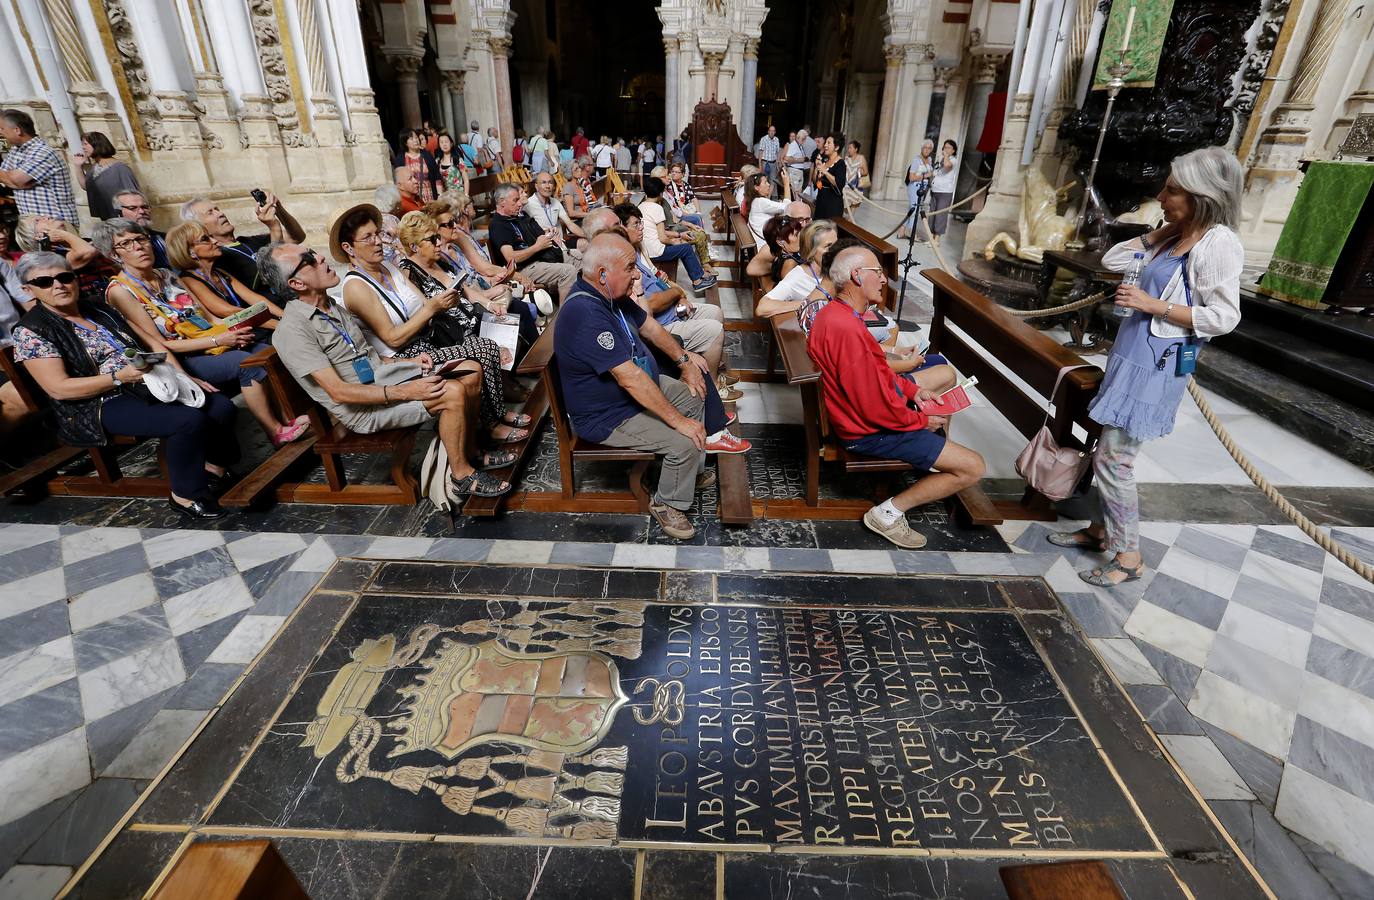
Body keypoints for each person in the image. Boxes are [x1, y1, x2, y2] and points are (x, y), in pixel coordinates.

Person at [1050, 147, 1245, 586]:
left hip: (1156, 365)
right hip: (1129, 357)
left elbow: (1225, 318)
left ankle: (1130, 555)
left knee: (1115, 460)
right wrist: (1160, 235)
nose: (1161, 195)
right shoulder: (1176, 235)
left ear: (1202, 194)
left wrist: (1152, 304)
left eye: (1172, 190)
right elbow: (1111, 261)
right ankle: (1102, 531)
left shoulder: (1219, 243)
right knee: (1107, 452)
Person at [260, 241, 510, 498]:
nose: (321, 258)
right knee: (452, 392)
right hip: (363, 408)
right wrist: (409, 391)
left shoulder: (330, 306)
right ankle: (461, 475)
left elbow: (370, 358)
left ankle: (470, 452)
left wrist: (409, 363)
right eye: (309, 259)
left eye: (313, 252)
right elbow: (339, 392)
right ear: (297, 284)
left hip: (383, 379)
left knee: (470, 369)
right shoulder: (293, 330)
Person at [12, 250, 242, 518]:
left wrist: (185, 376)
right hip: (96, 403)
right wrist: (117, 378)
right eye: (44, 282)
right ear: (28, 290)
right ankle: (186, 494)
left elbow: (152, 342)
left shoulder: (97, 306)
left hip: (145, 382)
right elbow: (59, 388)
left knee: (220, 406)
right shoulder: (32, 331)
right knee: (187, 421)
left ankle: (212, 468)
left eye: (64, 277)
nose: (58, 285)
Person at [553, 233, 746, 540]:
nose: (636, 273)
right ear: (604, 274)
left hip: (628, 397)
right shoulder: (585, 312)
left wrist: (684, 361)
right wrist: (677, 422)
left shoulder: (610, 297)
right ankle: (666, 503)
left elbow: (651, 328)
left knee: (694, 394)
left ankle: (686, 476)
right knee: (681, 440)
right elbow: (628, 377)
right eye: (630, 267)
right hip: (607, 414)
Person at [808, 246, 986, 548]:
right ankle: (887, 513)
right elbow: (873, 407)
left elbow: (878, 372)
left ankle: (932, 453)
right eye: (878, 272)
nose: (884, 279)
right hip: (866, 432)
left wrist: (914, 391)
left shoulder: (839, 315)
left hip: (863, 416)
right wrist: (920, 420)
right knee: (974, 467)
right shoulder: (847, 329)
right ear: (856, 275)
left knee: (941, 381)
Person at [96, 219, 307, 447]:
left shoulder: (167, 275)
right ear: (114, 255)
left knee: (268, 351)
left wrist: (232, 333)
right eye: (126, 244)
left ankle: (288, 417)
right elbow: (157, 345)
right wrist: (218, 339)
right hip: (180, 359)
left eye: (140, 239)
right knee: (248, 363)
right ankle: (274, 431)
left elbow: (209, 319)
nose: (138, 247)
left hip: (209, 343)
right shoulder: (120, 291)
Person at [332, 204, 526, 445]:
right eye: (368, 237)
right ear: (348, 248)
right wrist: (433, 309)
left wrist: (444, 304)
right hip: (404, 357)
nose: (378, 242)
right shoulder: (356, 286)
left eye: (378, 234)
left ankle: (494, 417)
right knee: (483, 348)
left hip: (425, 340)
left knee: (481, 343)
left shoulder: (388, 267)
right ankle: (492, 424)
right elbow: (392, 338)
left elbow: (424, 303)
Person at [603, 205, 742, 402]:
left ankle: (712, 369)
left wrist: (679, 295)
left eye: (641, 222)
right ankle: (714, 389)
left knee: (716, 312)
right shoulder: (624, 262)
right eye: (636, 224)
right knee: (715, 329)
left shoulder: (636, 250)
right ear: (621, 229)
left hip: (672, 309)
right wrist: (675, 293)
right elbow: (648, 305)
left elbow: (657, 277)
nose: (641, 228)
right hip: (662, 324)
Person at [181, 193, 305, 302]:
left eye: (217, 209)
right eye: (210, 213)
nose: (220, 214)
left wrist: (279, 209)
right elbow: (268, 276)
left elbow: (296, 237)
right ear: (200, 226)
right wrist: (274, 228)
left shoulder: (248, 241)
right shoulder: (219, 257)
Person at [166, 220, 283, 324]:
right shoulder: (188, 279)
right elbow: (227, 311)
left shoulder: (220, 273)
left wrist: (284, 317)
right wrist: (278, 324)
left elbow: (256, 299)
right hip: (236, 334)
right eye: (205, 239)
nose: (215, 241)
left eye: (211, 236)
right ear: (189, 251)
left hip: (253, 324)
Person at [489, 183, 578, 300]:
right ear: (501, 202)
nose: (520, 203)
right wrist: (538, 246)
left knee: (577, 256)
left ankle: (583, 300)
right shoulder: (498, 225)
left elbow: (531, 237)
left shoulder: (516, 217)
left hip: (538, 259)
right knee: (568, 271)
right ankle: (566, 314)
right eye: (515, 200)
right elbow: (510, 257)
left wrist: (547, 235)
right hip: (524, 268)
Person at [638, 178, 717, 295]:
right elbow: (662, 238)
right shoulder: (657, 208)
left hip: (645, 251)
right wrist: (675, 241)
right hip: (656, 252)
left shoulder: (641, 206)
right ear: (661, 193)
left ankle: (699, 275)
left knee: (682, 248)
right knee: (685, 248)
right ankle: (697, 281)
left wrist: (674, 239)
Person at [0, 110, 77, 224]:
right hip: (33, 225)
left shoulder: (42, 152)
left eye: (2, 129)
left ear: (17, 130)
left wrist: (14, 181)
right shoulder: (16, 150)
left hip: (55, 224)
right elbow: (7, 179)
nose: (0, 133)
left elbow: (15, 180)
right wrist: (14, 180)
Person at [758, 220, 837, 318]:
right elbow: (763, 307)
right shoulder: (798, 276)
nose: (837, 251)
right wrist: (808, 303)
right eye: (828, 246)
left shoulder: (837, 267)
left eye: (837, 244)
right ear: (811, 249)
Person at [72, 132, 139, 221]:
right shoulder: (94, 168)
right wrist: (78, 166)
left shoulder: (120, 168)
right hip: (106, 218)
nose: (83, 147)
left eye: (85, 144)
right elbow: (86, 186)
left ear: (97, 145)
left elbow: (134, 194)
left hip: (122, 218)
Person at [526, 171, 586, 244]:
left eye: (550, 182)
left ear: (554, 186)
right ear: (536, 186)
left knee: (585, 243)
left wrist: (587, 236)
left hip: (560, 242)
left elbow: (570, 224)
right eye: (543, 183)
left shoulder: (556, 202)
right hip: (544, 245)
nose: (548, 186)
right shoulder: (529, 204)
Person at [114, 190, 170, 268]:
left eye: (145, 207)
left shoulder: (165, 237)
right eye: (132, 208)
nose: (142, 211)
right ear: (119, 213)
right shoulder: (116, 244)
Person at [392, 129, 441, 204]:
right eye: (411, 139)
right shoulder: (401, 158)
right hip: (412, 198)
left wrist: (440, 195)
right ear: (405, 142)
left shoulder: (426, 155)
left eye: (416, 138)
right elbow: (399, 181)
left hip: (429, 195)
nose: (416, 140)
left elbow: (437, 176)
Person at [742, 172, 791, 245]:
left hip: (760, 243)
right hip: (764, 246)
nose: (768, 184)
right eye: (765, 182)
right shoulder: (760, 202)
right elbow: (788, 207)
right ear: (756, 187)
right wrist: (786, 184)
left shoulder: (755, 200)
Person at [901, 140, 935, 240]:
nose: (927, 150)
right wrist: (926, 175)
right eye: (925, 147)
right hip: (914, 188)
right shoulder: (916, 160)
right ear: (921, 148)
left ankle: (901, 231)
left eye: (929, 148)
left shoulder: (929, 159)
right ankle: (911, 233)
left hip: (923, 189)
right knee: (915, 209)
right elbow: (911, 178)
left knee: (911, 209)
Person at [929, 140, 959, 240]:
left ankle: (937, 239)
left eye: (948, 148)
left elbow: (947, 166)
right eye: (944, 147)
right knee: (933, 214)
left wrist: (945, 156)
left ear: (953, 150)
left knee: (940, 215)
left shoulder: (953, 160)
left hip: (945, 192)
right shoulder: (943, 159)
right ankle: (932, 237)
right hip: (935, 190)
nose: (945, 149)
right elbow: (937, 171)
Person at [812, 134, 847, 220]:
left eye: (829, 143)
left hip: (832, 205)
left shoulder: (840, 164)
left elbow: (839, 184)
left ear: (837, 147)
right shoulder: (825, 160)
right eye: (826, 143)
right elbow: (816, 183)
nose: (825, 145)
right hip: (820, 201)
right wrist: (817, 168)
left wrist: (825, 172)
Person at [561, 157, 599, 225]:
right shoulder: (568, 187)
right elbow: (571, 213)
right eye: (576, 169)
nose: (580, 170)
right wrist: (589, 214)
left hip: (584, 217)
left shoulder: (579, 184)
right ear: (570, 172)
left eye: (579, 167)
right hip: (576, 222)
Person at [664, 163, 703, 228]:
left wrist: (698, 211)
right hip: (677, 212)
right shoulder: (668, 185)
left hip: (687, 209)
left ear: (682, 174)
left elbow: (694, 198)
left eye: (676, 172)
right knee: (697, 218)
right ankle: (699, 233)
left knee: (698, 216)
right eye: (672, 171)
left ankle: (699, 233)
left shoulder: (686, 185)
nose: (673, 173)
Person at [842, 140, 869, 216]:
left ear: (856, 149)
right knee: (846, 209)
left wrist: (859, 172)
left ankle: (850, 221)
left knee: (852, 210)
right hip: (846, 186)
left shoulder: (861, 158)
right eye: (848, 148)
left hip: (855, 186)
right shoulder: (846, 158)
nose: (848, 150)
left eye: (850, 148)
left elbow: (866, 172)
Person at [782, 129, 811, 199]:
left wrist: (805, 159)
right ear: (798, 137)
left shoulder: (799, 145)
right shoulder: (793, 145)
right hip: (794, 172)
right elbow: (786, 158)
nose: (804, 141)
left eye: (805, 139)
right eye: (803, 139)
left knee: (798, 193)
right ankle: (796, 209)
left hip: (798, 172)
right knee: (796, 194)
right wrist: (800, 160)